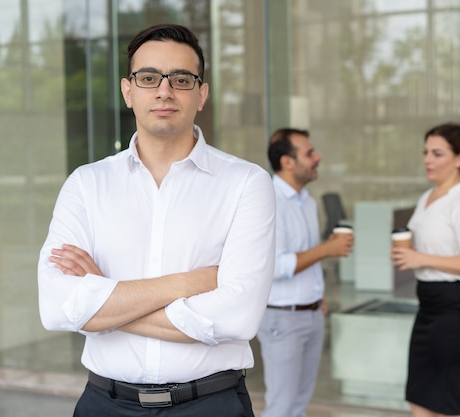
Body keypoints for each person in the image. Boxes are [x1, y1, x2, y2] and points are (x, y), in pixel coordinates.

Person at [37, 24, 276, 417]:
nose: (164, 91)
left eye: (181, 79)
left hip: (210, 405)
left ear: (202, 94)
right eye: (148, 78)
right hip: (104, 405)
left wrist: (102, 306)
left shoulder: (246, 183)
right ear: (128, 91)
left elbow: (238, 317)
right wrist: (190, 282)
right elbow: (57, 307)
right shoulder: (86, 184)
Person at [391, 123, 460, 417]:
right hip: (430, 308)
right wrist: (407, 254)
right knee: (419, 400)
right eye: (425, 152)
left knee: (449, 404)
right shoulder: (429, 197)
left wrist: (420, 258)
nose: (427, 160)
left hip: (457, 312)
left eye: (437, 153)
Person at [257, 128, 354, 417]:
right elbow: (276, 265)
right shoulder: (269, 201)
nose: (317, 157)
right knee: (281, 406)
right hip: (281, 317)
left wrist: (317, 295)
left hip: (311, 312)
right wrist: (328, 249)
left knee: (298, 404)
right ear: (288, 162)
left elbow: (304, 256)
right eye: (309, 153)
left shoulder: (307, 201)